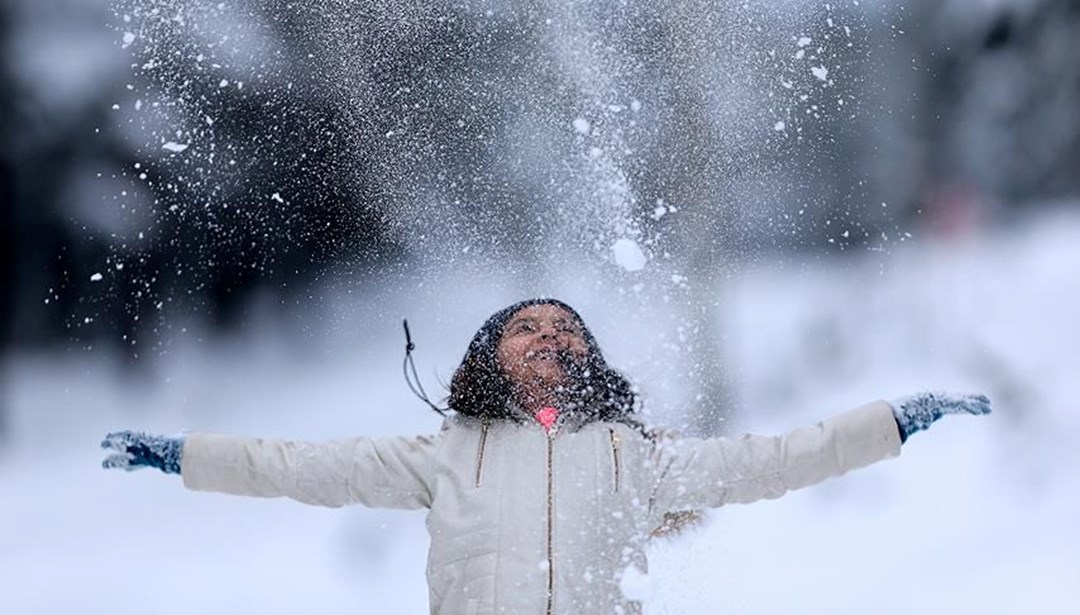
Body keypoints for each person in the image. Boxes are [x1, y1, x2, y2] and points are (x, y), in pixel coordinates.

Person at [101, 298, 991, 614]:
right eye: (526, 326)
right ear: (489, 356)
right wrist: (186, 455)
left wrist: (891, 422)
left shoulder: (636, 456)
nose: (550, 335)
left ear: (590, 357)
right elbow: (298, 465)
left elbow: (775, 460)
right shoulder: (444, 453)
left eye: (568, 328)